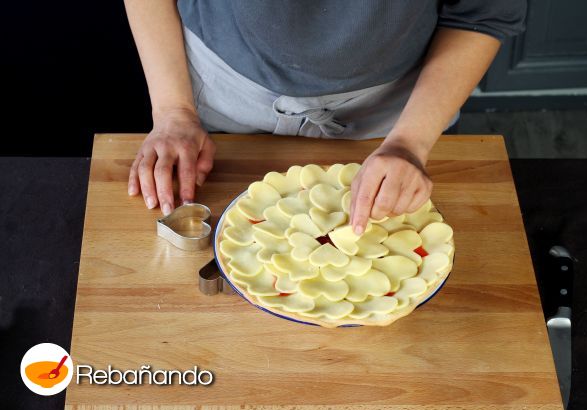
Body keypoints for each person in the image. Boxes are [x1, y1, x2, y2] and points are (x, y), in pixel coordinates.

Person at [124, 0, 526, 235]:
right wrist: (174, 112)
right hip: (222, 92)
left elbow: (481, 11)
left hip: (399, 113)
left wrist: (409, 143)